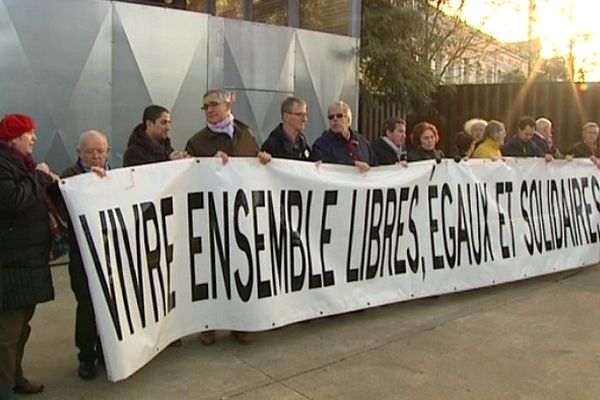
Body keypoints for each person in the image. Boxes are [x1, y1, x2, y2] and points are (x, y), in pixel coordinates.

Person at [186, 89, 270, 346]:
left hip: (243, 215)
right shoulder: (197, 142)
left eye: (213, 104)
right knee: (212, 271)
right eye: (205, 107)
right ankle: (208, 324)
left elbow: (254, 164)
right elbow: (189, 175)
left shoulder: (246, 134)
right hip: (213, 216)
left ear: (227, 104)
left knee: (241, 269)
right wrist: (207, 165)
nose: (209, 110)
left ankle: (240, 323)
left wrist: (262, 159)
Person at [0, 114, 58, 399]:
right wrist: (39, 177)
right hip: (10, 263)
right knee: (7, 333)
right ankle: (4, 387)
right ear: (14, 137)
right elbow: (12, 201)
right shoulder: (4, 164)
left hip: (29, 260)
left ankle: (15, 378)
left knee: (22, 327)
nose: (34, 138)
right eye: (29, 133)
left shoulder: (22, 164)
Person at [60, 131, 110, 380]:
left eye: (100, 151)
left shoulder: (115, 175)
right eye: (90, 151)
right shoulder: (69, 178)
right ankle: (86, 357)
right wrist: (88, 184)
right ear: (79, 153)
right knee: (87, 308)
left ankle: (105, 351)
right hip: (82, 257)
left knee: (109, 306)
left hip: (109, 253)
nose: (96, 156)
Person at [312, 101, 377, 172]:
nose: (335, 119)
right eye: (331, 117)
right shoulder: (321, 145)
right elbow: (325, 166)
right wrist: (352, 165)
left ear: (348, 120)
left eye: (339, 116)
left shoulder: (362, 142)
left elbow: (375, 166)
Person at [261, 96, 311, 160]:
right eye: (299, 114)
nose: (304, 119)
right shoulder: (271, 146)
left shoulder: (304, 147)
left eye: (305, 115)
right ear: (286, 116)